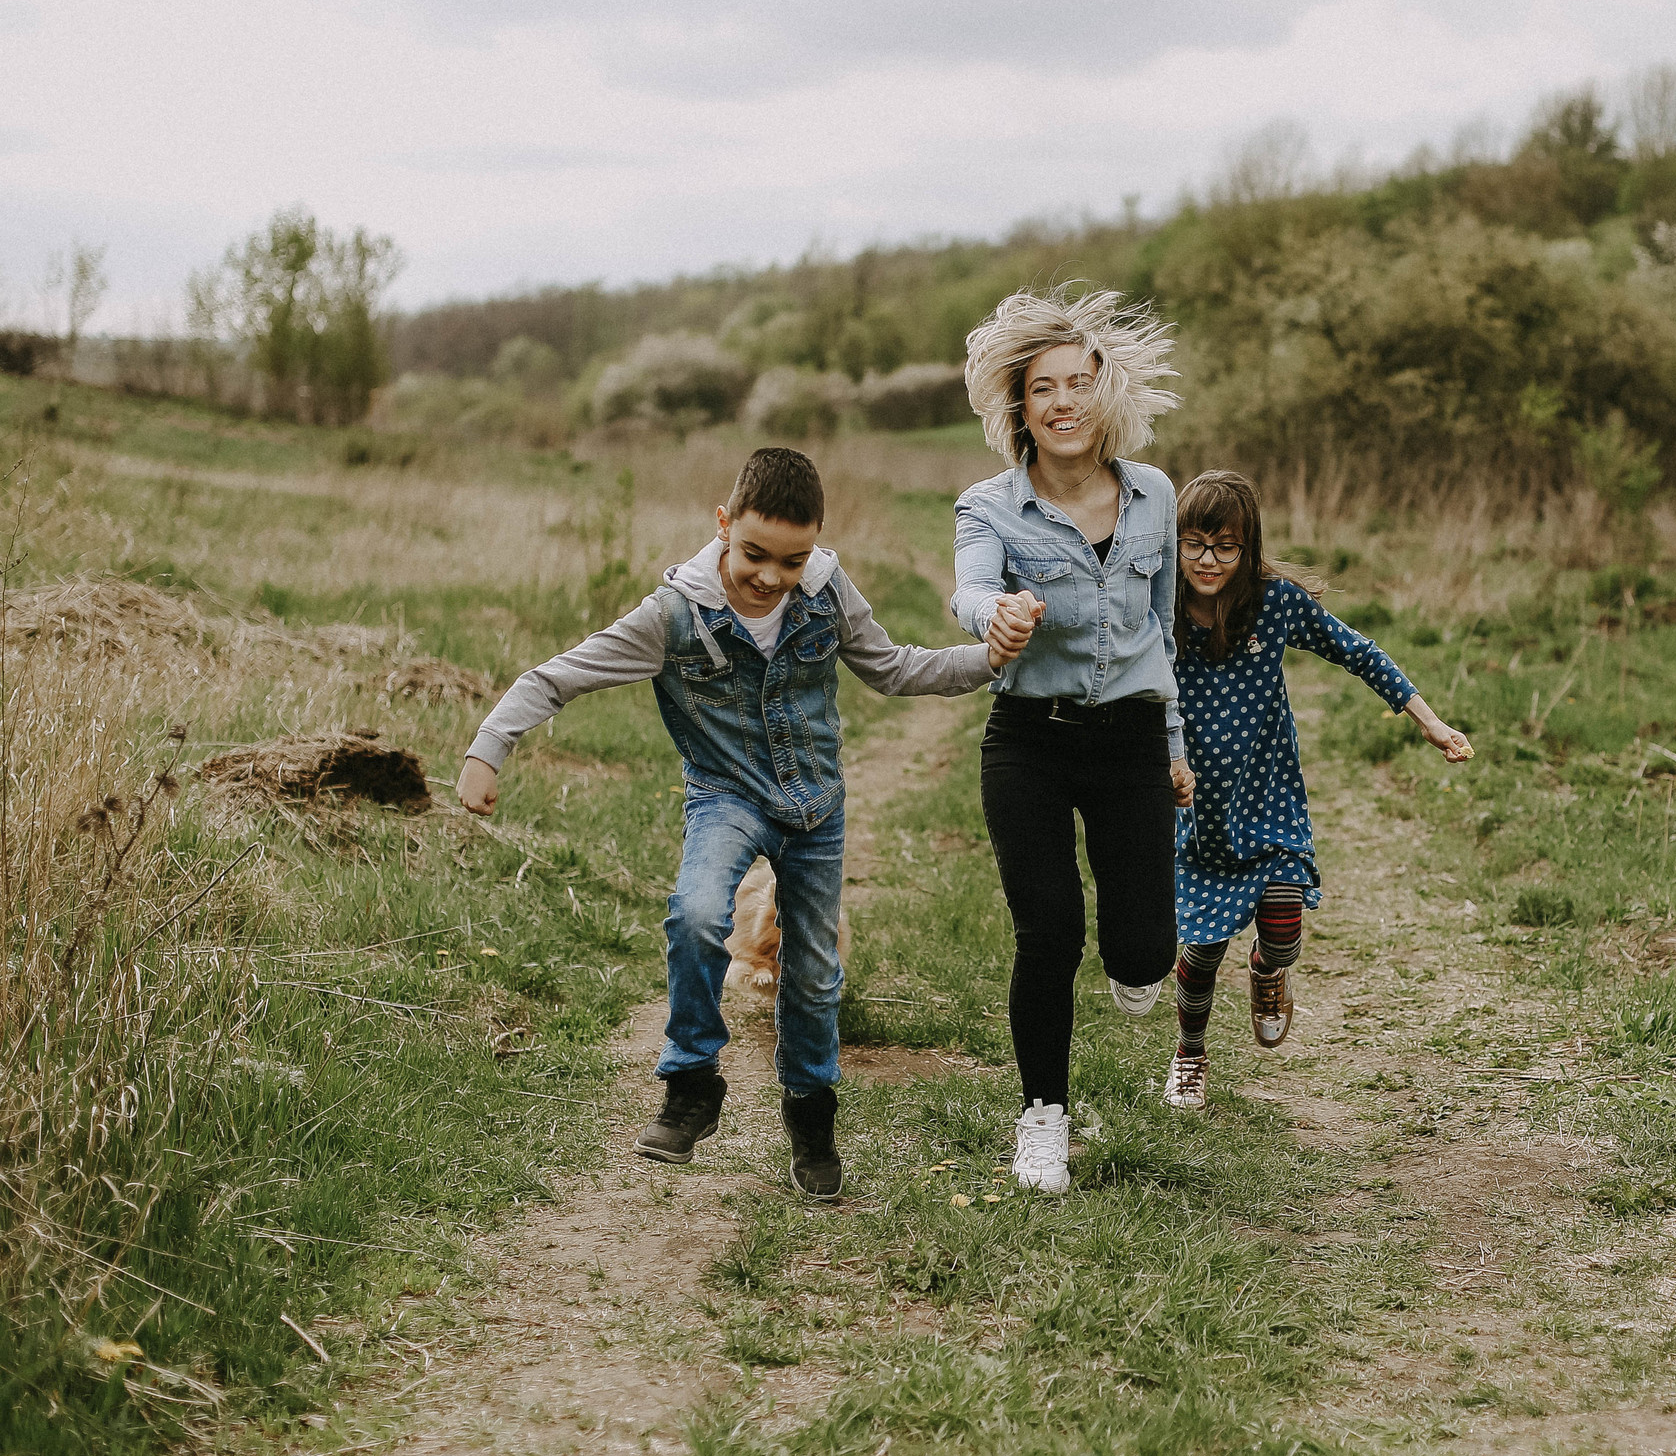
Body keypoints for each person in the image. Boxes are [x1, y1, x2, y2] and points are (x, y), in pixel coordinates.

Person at [457, 447, 1032, 1197]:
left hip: (815, 807)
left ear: (816, 545)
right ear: (724, 525)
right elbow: (557, 675)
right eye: (754, 552)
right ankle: (692, 1084)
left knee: (815, 973)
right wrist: (489, 748)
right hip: (725, 796)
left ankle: (810, 1114)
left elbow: (893, 667)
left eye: (791, 560)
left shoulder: (826, 593)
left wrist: (986, 660)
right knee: (697, 914)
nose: (769, 576)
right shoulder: (673, 616)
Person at [950, 285, 1192, 1195]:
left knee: (1140, 952)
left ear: (1107, 394)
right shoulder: (989, 507)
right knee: (1047, 931)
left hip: (1131, 738)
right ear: (1019, 406)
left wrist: (1175, 741)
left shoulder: (1154, 496)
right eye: (1043, 387)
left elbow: (1162, 631)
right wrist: (999, 615)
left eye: (1079, 383)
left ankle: (1137, 966)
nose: (1062, 401)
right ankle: (1042, 1117)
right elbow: (968, 591)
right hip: (1031, 742)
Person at [1160, 470, 1472, 1110]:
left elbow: (1359, 653)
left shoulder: (1273, 604)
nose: (1208, 561)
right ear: (1175, 543)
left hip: (1267, 796)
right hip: (1198, 813)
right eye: (1194, 543)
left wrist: (1431, 723)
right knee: (1201, 953)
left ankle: (1269, 972)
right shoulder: (1159, 607)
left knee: (1281, 925)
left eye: (1226, 547)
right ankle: (1190, 1052)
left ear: (1248, 549)